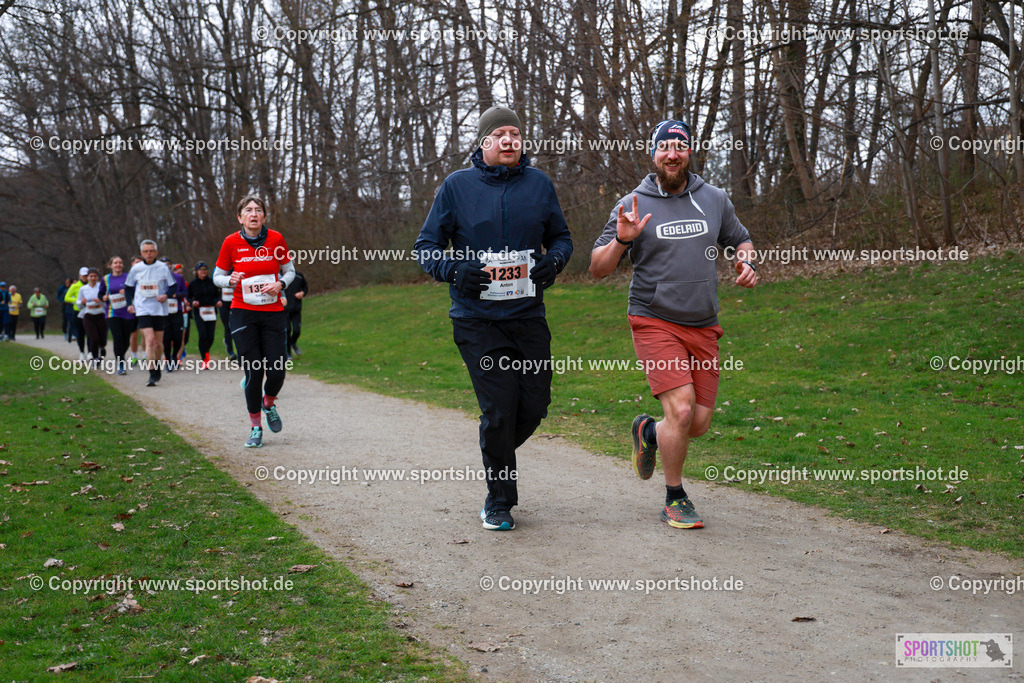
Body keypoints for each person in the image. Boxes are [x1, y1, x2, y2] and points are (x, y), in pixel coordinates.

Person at [589, 119, 757, 529]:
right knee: (681, 411)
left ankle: (649, 432)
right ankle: (675, 497)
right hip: (653, 319)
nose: (671, 153)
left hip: (703, 323)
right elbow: (596, 268)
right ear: (653, 154)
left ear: (689, 152)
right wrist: (623, 240)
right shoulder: (632, 202)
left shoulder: (714, 198)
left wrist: (746, 260)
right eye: (664, 146)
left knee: (696, 424)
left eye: (679, 146)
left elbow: (742, 239)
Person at [414, 106, 573, 531]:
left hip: (527, 315)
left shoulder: (539, 184)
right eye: (500, 134)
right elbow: (426, 245)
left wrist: (553, 261)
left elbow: (561, 237)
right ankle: (499, 500)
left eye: (515, 134)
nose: (509, 141)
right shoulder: (456, 187)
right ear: (483, 142)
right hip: (476, 318)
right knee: (500, 409)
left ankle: (496, 449)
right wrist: (452, 269)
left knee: (535, 405)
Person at [213, 195, 295, 448]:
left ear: (264, 216)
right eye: (248, 210)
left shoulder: (276, 239)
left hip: (272, 313)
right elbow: (217, 276)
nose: (253, 214)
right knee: (254, 371)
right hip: (242, 313)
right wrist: (230, 280)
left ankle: (268, 403)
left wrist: (280, 284)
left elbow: (290, 270)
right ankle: (256, 427)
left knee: (278, 370)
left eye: (258, 210)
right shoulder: (230, 242)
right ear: (240, 217)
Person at [125, 240, 177, 386]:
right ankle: (152, 372)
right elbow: (128, 287)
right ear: (141, 253)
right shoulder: (136, 269)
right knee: (150, 340)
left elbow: (173, 286)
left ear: (156, 252)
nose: (149, 253)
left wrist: (166, 295)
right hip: (142, 308)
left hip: (159, 309)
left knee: (159, 344)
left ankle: (157, 364)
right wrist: (130, 303)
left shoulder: (163, 268)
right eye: (146, 251)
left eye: (151, 251)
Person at [103, 256, 137, 375]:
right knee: (117, 337)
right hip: (112, 312)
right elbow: (101, 293)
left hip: (127, 311)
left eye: (120, 263)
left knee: (126, 340)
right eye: (116, 263)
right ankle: (121, 363)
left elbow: (137, 291)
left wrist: (128, 292)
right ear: (111, 265)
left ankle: (121, 355)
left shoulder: (128, 277)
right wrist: (104, 297)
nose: (118, 265)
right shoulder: (106, 278)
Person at [188, 261, 220, 369]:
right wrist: (192, 302)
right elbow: (189, 297)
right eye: (201, 270)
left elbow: (218, 295)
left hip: (211, 311)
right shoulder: (193, 284)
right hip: (199, 312)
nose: (203, 272)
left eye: (205, 270)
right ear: (196, 271)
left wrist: (219, 301)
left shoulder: (212, 282)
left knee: (210, 336)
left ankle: (206, 353)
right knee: (203, 335)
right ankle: (205, 359)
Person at [76, 269, 107, 365]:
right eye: (91, 276)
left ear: (97, 277)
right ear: (87, 277)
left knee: (102, 338)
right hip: (88, 316)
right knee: (93, 338)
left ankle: (102, 347)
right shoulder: (83, 289)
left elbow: (107, 300)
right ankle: (95, 357)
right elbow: (78, 303)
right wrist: (82, 302)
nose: (93, 278)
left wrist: (101, 300)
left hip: (101, 315)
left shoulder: (102, 287)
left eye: (95, 276)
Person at [163, 261, 187, 371]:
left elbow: (185, 292)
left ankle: (174, 357)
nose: (166, 266)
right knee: (166, 338)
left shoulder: (178, 277)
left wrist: (175, 295)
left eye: (168, 264)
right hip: (163, 312)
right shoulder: (157, 278)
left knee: (178, 337)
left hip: (176, 311)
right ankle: (168, 360)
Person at [283, 270, 308, 357]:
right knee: (287, 331)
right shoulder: (278, 276)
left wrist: (302, 293)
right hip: (284, 310)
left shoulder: (299, 276)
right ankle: (288, 353)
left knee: (297, 331)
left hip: (296, 309)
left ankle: (293, 343)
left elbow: (305, 288)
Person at [64, 268, 88, 358]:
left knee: (90, 333)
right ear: (80, 276)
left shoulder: (92, 285)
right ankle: (82, 352)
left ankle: (90, 352)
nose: (85, 277)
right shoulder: (75, 286)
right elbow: (67, 298)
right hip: (78, 312)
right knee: (80, 333)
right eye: (83, 275)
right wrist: (78, 300)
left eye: (86, 275)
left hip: (90, 312)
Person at [127, 256, 142, 365]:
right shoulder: (129, 276)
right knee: (133, 333)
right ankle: (134, 356)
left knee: (145, 332)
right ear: (132, 264)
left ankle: (146, 355)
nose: (138, 265)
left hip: (144, 307)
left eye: (140, 263)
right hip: (133, 308)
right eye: (136, 262)